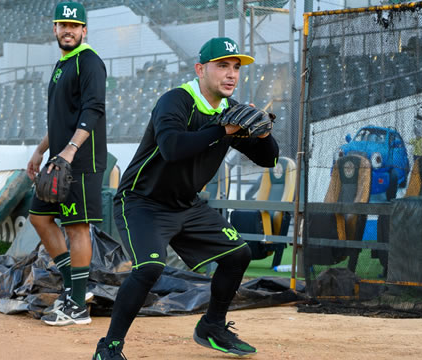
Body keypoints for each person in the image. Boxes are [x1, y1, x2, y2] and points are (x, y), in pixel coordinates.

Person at [92, 37, 279, 358]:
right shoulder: (177, 100)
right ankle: (108, 348)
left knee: (238, 255)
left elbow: (269, 160)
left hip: (186, 205)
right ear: (201, 69)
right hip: (142, 201)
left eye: (235, 67)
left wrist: (263, 134)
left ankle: (211, 326)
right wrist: (224, 130)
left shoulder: (230, 111)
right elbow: (172, 148)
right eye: (222, 66)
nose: (231, 74)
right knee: (149, 268)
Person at [25, 1, 107, 326]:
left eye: (74, 26)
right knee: (39, 218)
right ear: (55, 29)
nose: (68, 30)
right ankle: (76, 287)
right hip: (59, 159)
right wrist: (40, 150)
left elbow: (93, 110)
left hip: (81, 161)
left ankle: (77, 307)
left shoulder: (89, 62)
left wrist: (70, 151)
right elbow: (60, 119)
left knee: (76, 228)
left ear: (84, 30)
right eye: (63, 25)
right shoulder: (62, 64)